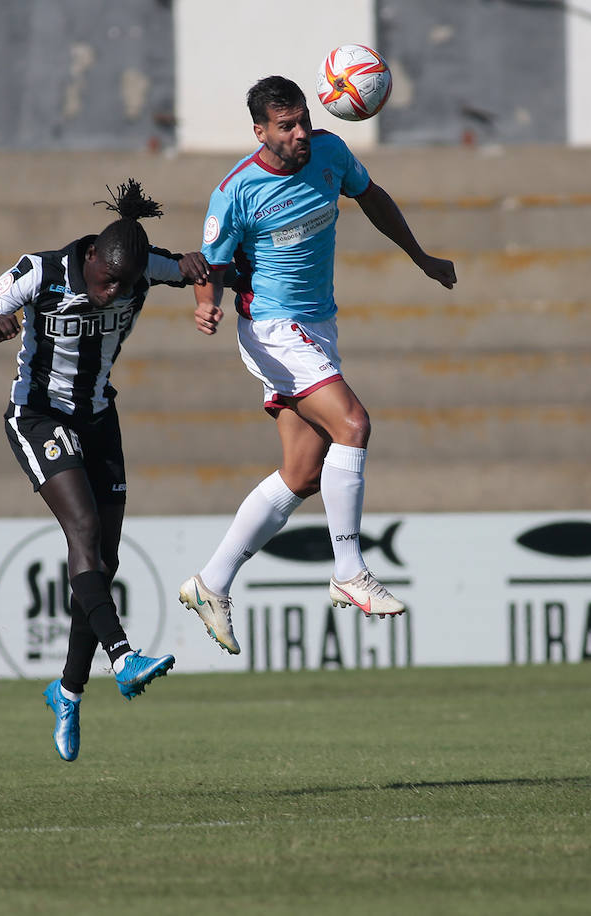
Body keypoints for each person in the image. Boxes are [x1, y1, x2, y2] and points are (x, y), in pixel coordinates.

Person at [177, 76, 456, 653]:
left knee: (303, 473)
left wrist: (421, 257)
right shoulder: (236, 191)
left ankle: (211, 583)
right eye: (287, 126)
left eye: (303, 120)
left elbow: (372, 198)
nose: (301, 133)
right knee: (353, 424)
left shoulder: (330, 152)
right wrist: (206, 307)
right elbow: (211, 264)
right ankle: (350, 570)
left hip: (318, 325)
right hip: (273, 331)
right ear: (260, 132)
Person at [0, 180, 209, 762]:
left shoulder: (146, 271)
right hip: (38, 415)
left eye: (123, 285)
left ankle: (66, 692)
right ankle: (124, 657)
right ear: (90, 257)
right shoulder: (38, 273)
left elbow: (204, 268)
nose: (112, 293)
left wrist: (205, 287)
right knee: (84, 532)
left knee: (102, 562)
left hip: (97, 418)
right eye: (105, 281)